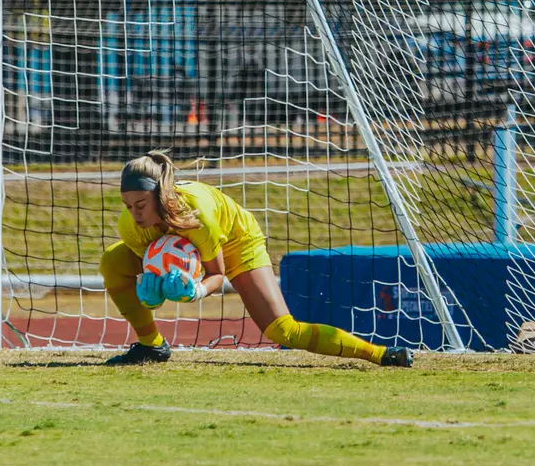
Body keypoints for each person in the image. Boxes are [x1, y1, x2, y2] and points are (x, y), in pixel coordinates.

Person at [101, 150, 413, 367]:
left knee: (283, 331)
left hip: (237, 242)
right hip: (195, 246)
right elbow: (156, 270)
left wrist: (194, 291)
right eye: (128, 206)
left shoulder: (200, 217)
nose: (135, 213)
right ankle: (152, 345)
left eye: (140, 203)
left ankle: (380, 354)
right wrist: (153, 294)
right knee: (112, 262)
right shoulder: (131, 227)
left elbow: (216, 274)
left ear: (161, 195)